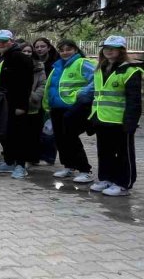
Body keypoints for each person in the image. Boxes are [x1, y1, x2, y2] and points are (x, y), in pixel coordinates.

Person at [88, 36, 143, 196]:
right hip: (101, 118)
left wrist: (131, 122)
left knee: (124, 154)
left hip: (120, 121)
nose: (108, 51)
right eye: (106, 48)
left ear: (122, 50)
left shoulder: (130, 71)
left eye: (113, 48)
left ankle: (123, 184)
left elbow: (134, 100)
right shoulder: (100, 68)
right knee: (104, 152)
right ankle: (106, 178)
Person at [45, 39, 96, 183]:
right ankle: (68, 166)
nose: (65, 52)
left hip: (73, 107)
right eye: (62, 50)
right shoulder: (57, 65)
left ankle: (85, 170)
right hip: (57, 107)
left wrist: (81, 93)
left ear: (75, 50)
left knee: (71, 137)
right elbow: (51, 86)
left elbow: (96, 79)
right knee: (61, 139)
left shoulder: (82, 63)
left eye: (68, 49)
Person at [0, 30, 34, 178]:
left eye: (4, 41)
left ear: (12, 41)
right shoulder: (2, 58)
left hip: (17, 105)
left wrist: (22, 106)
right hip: (4, 104)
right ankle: (9, 161)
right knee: (6, 134)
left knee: (19, 135)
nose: (1, 44)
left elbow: (26, 84)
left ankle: (20, 166)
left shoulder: (21, 58)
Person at [21, 43, 47, 168]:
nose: (27, 53)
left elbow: (43, 85)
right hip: (17, 106)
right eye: (24, 51)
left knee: (32, 134)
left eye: (29, 51)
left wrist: (34, 96)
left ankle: (30, 159)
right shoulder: (13, 65)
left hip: (33, 105)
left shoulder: (39, 67)